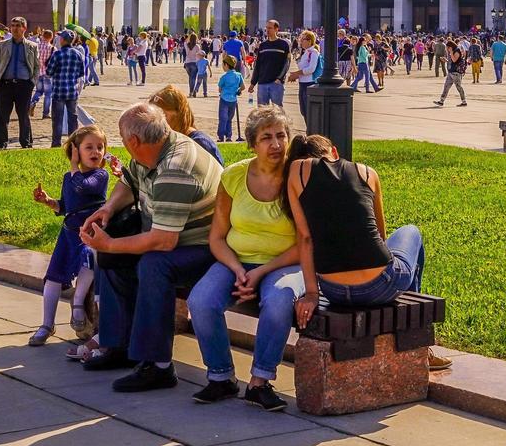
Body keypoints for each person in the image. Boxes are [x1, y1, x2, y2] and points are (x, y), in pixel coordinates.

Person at [79, 103, 221, 390]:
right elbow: (129, 182)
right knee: (114, 252)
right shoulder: (152, 150)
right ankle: (119, 344)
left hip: (204, 247)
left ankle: (157, 365)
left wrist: (110, 243)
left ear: (133, 141)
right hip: (171, 235)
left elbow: (164, 241)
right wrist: (108, 209)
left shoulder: (175, 168)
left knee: (153, 264)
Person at [286, 133, 451, 371]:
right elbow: (382, 238)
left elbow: (305, 238)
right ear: (334, 151)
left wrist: (312, 294)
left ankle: (418, 343)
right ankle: (419, 345)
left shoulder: (296, 172)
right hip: (381, 285)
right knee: (410, 231)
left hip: (334, 290)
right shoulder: (367, 172)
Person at [186, 106, 303, 411]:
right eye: (267, 138)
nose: (276, 144)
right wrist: (239, 270)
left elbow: (306, 243)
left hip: (284, 263)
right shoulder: (234, 176)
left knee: (278, 301)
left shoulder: (298, 175)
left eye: (281, 136)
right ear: (252, 144)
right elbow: (217, 237)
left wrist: (261, 272)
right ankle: (221, 377)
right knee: (200, 300)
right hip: (236, 261)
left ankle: (259, 382)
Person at [29, 125, 111, 346]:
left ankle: (77, 303)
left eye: (100, 147)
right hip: (68, 234)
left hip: (89, 234)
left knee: (88, 261)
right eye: (89, 147)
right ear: (75, 150)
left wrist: (75, 165)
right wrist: (48, 202)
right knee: (54, 276)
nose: (96, 152)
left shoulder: (100, 175)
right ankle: (47, 324)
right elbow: (66, 206)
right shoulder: (70, 177)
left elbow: (84, 187)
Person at [0, 17, 39, 150]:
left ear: (24, 28)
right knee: (2, 115)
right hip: (5, 84)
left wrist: (32, 81)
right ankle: (1, 143)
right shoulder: (2, 44)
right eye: (12, 26)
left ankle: (26, 141)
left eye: (18, 26)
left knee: (23, 114)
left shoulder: (32, 46)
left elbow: (36, 66)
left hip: (24, 85)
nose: (15, 28)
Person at [148, 85, 223, 165]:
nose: (156, 122)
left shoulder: (200, 143)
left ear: (179, 113)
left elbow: (215, 174)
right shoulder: (168, 141)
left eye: (162, 115)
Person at [46, 30, 88, 147]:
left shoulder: (57, 54)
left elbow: (49, 72)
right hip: (72, 91)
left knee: (57, 119)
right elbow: (81, 72)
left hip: (58, 91)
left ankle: (56, 143)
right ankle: (73, 143)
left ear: (62, 40)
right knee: (72, 119)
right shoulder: (78, 54)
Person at [249, 19, 291, 106]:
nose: (267, 30)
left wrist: (279, 78)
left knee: (277, 112)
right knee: (262, 112)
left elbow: (286, 63)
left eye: (270, 28)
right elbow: (258, 65)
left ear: (276, 29)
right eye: (266, 28)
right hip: (262, 83)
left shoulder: (283, 44)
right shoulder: (263, 45)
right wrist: (253, 83)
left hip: (276, 84)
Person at [286, 29, 319, 122]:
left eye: (303, 39)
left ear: (309, 41)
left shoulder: (313, 52)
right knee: (303, 111)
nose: (300, 41)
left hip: (310, 83)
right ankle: (309, 131)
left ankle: (311, 131)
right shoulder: (306, 52)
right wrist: (297, 75)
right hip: (302, 84)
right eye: (300, 39)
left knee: (308, 111)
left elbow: (311, 69)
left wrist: (296, 74)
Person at [216, 56, 245, 142]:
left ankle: (221, 136)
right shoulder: (239, 75)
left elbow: (220, 88)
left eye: (223, 65)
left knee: (223, 118)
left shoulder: (224, 77)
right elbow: (243, 87)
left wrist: (222, 92)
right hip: (233, 100)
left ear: (226, 65)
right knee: (229, 119)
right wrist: (238, 91)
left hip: (224, 99)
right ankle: (229, 136)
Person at [433, 39, 467, 106]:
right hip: (451, 72)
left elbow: (454, 60)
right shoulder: (453, 51)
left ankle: (464, 101)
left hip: (456, 73)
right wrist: (446, 60)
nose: (447, 49)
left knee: (459, 87)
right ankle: (441, 101)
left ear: (450, 47)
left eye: (447, 48)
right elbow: (452, 61)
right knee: (446, 86)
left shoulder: (457, 51)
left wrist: (451, 52)